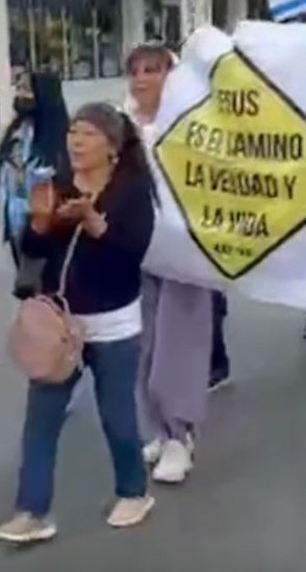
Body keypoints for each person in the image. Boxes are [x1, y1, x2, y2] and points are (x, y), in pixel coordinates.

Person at [0, 102, 157, 544]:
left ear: (112, 144)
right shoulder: (59, 185)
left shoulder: (132, 190)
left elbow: (131, 255)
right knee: (41, 420)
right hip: (60, 325)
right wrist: (41, 221)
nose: (76, 142)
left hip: (113, 323)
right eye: (73, 133)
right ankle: (32, 510)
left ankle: (133, 491)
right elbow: (32, 248)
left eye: (87, 134)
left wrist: (92, 221)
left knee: (117, 417)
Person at [120, 43, 214, 484]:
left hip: (187, 251)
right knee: (143, 346)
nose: (142, 79)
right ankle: (157, 428)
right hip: (137, 250)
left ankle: (181, 436)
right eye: (136, 71)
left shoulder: (195, 124)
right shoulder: (121, 128)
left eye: (153, 70)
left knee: (179, 347)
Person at [0, 68, 70, 298]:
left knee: (50, 294)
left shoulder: (61, 138)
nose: (20, 94)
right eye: (18, 88)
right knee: (31, 296)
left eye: (26, 89)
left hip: (47, 230)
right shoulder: (18, 131)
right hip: (17, 228)